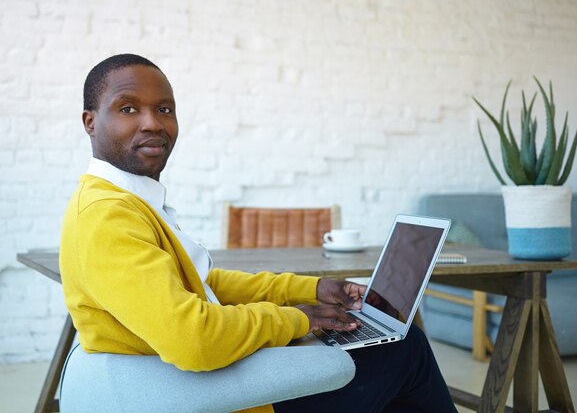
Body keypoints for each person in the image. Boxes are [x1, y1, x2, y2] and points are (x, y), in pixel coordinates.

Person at [60, 53, 458, 413]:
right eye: (128, 108)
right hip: (223, 397)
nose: (152, 122)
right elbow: (194, 339)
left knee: (389, 371)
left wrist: (313, 291)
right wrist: (297, 320)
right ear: (90, 121)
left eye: (164, 109)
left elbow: (205, 283)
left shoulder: (127, 200)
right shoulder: (107, 215)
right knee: (406, 350)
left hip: (205, 382)